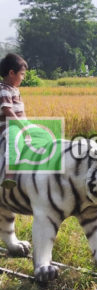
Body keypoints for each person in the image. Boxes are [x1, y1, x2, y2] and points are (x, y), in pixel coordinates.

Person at [0, 53, 28, 189]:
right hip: (9, 128)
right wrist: (21, 126)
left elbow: (20, 112)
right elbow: (8, 111)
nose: (23, 78)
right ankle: (9, 176)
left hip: (19, 126)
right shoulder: (4, 90)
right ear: (12, 73)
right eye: (22, 74)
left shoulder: (14, 90)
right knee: (14, 143)